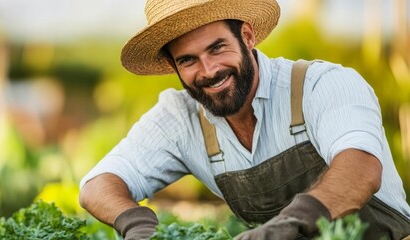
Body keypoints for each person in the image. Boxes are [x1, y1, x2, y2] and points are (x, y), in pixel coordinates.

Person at [78, 0, 410, 239]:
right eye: (188, 60)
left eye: (217, 48)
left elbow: (361, 169)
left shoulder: (321, 84)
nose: (209, 71)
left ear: (247, 37)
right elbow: (97, 186)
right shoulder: (179, 118)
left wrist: (287, 226)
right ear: (174, 67)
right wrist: (138, 224)